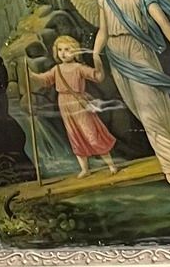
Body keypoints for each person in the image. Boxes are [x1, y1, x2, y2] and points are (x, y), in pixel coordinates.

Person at [92, 0, 170, 181]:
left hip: (139, 53)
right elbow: (103, 31)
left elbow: (164, 24)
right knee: (139, 110)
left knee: (150, 112)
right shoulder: (104, 1)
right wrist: (95, 53)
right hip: (117, 57)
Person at [26, 37, 116, 179]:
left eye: (67, 49)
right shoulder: (57, 69)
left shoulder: (79, 68)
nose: (63, 53)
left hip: (78, 103)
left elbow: (98, 76)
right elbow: (44, 79)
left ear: (75, 51)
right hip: (64, 103)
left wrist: (97, 62)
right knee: (75, 135)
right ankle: (85, 169)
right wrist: (31, 75)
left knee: (91, 133)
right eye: (60, 50)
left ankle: (111, 165)